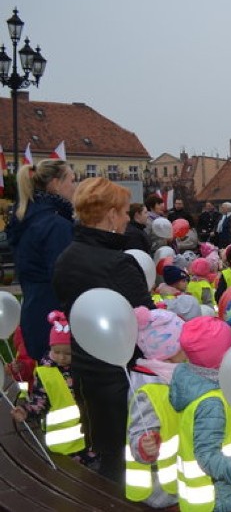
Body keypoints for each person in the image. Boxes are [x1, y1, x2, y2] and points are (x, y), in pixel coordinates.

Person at [52, 177, 155, 484]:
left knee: (107, 450)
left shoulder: (66, 257)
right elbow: (147, 319)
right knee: (131, 458)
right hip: (126, 374)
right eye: (123, 212)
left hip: (86, 368)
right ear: (110, 214)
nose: (126, 218)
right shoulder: (118, 263)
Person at [169, 316, 231, 511]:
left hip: (224, 489)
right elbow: (205, 454)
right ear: (221, 359)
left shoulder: (201, 381)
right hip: (219, 495)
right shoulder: (211, 403)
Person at [7, 159, 76, 362]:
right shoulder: (55, 225)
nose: (74, 187)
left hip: (35, 311)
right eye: (71, 180)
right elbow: (64, 276)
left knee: (45, 385)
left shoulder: (28, 218)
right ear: (55, 183)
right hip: (57, 320)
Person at [10, 311, 95, 464]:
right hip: (63, 443)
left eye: (68, 353)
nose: (62, 357)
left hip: (90, 438)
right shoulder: (46, 372)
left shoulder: (84, 368)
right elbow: (39, 400)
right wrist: (25, 411)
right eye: (56, 352)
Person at [125, 307, 185, 508]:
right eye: (182, 348)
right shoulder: (148, 388)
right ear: (166, 354)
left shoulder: (169, 376)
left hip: (177, 479)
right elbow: (138, 428)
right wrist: (143, 445)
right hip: (159, 489)